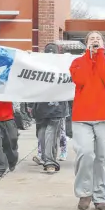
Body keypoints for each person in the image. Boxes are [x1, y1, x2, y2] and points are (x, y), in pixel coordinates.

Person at [70, 31, 105, 210]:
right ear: (86, 43)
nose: (95, 40)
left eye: (98, 38)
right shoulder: (77, 62)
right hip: (82, 117)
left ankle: (101, 197)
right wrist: (88, 57)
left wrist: (99, 56)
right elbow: (80, 80)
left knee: (103, 158)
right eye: (92, 38)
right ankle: (84, 193)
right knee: (85, 153)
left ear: (104, 43)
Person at [32, 43, 70, 174]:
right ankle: (45, 157)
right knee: (42, 135)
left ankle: (50, 162)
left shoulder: (64, 67)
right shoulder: (38, 66)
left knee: (51, 135)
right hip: (41, 109)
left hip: (57, 108)